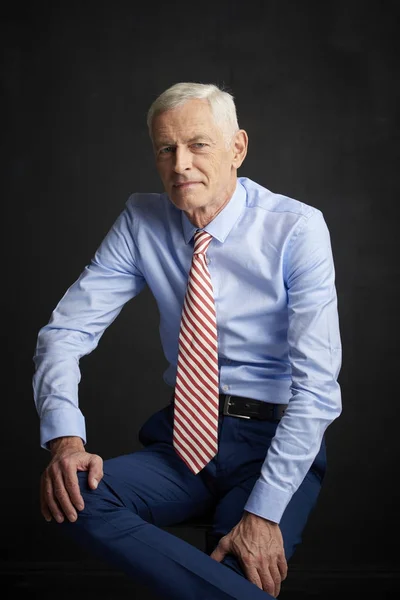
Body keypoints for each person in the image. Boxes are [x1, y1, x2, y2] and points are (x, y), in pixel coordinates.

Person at [32, 81, 342, 600]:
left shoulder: (297, 229)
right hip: (182, 444)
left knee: (239, 570)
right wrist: (67, 440)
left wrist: (263, 514)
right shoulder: (142, 220)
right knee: (74, 498)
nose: (180, 165)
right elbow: (65, 332)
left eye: (198, 144)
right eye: (165, 149)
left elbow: (316, 391)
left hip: (272, 445)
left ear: (237, 148)